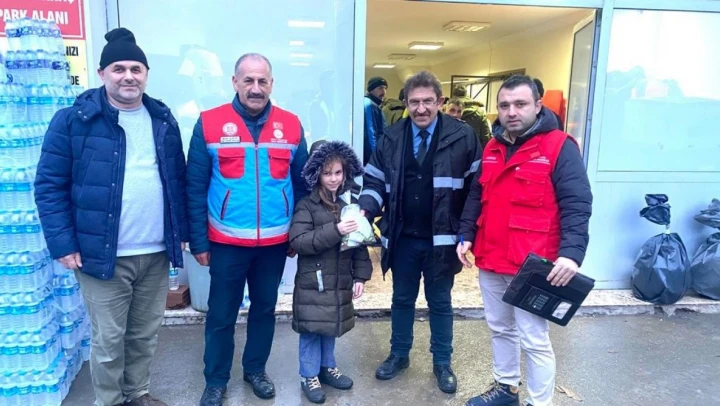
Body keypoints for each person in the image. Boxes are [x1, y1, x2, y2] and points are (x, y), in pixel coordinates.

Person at [34, 28, 188, 406]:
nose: (128, 76)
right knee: (108, 340)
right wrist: (63, 244)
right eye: (119, 69)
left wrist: (181, 232)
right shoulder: (73, 121)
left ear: (146, 74)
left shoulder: (162, 120)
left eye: (136, 69)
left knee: (144, 334)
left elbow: (177, 181)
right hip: (101, 254)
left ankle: (136, 393)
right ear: (102, 73)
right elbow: (49, 186)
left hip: (154, 253)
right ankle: (109, 401)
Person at [457, 74, 592, 406]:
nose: (511, 112)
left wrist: (571, 254)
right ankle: (506, 388)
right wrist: (466, 234)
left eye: (520, 104)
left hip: (532, 264)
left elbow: (577, 203)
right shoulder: (492, 146)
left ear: (538, 105)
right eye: (504, 105)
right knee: (500, 328)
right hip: (491, 257)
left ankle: (539, 402)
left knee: (534, 338)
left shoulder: (560, 146)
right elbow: (476, 195)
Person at [186, 53, 309, 405]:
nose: (256, 88)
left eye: (262, 81)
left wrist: (297, 233)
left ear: (272, 84)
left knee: (264, 310)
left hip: (274, 243)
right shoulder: (209, 123)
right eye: (249, 80)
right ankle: (216, 380)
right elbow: (194, 187)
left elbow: (302, 185)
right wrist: (198, 242)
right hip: (225, 242)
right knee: (221, 314)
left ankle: (255, 369)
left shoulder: (291, 124)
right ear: (235, 82)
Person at [358, 70, 482, 394]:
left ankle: (442, 362)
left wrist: (467, 231)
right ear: (406, 103)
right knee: (401, 299)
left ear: (440, 101)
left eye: (428, 101)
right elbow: (374, 180)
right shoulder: (391, 137)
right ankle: (399, 355)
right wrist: (365, 209)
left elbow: (476, 189)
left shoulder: (463, 136)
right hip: (403, 238)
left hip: (443, 240)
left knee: (440, 302)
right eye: (414, 102)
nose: (421, 108)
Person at [289, 140, 372, 404]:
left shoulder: (350, 204)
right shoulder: (307, 205)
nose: (333, 179)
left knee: (330, 325)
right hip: (314, 281)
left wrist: (360, 276)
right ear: (316, 174)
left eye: (338, 172)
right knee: (312, 329)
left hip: (340, 279)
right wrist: (336, 230)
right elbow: (299, 241)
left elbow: (359, 242)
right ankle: (308, 375)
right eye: (327, 173)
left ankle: (327, 368)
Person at [363, 76, 387, 164]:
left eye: (385, 88)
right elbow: (370, 133)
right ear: (371, 89)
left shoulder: (375, 105)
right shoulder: (369, 104)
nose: (384, 92)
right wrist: (375, 158)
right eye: (380, 88)